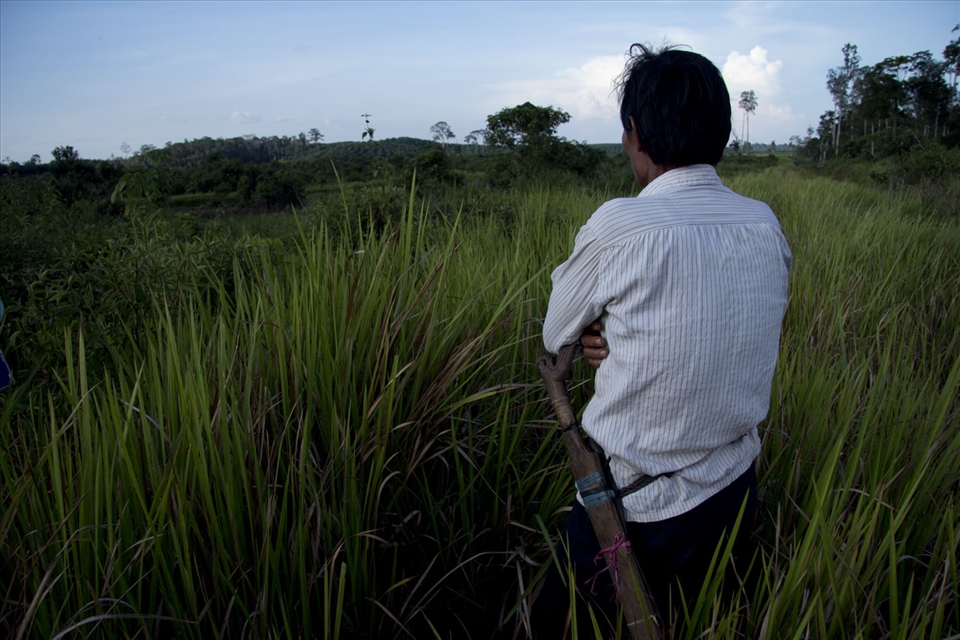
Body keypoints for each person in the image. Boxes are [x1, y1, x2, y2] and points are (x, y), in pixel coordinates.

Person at [531, 43, 792, 638]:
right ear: (722, 131)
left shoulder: (621, 226)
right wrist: (615, 329)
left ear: (633, 134)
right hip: (734, 485)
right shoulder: (763, 222)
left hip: (634, 509)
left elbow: (555, 333)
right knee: (700, 619)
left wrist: (595, 331)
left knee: (557, 623)